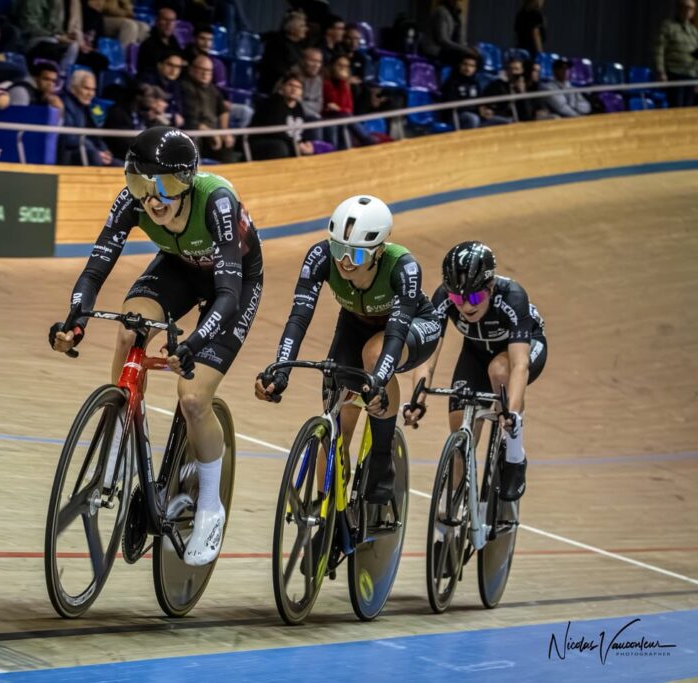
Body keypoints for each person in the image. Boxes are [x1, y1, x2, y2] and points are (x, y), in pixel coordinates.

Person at [49, 127, 264, 566]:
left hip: (233, 281)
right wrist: (76, 319)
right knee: (129, 331)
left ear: (188, 182)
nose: (153, 199)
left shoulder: (216, 201)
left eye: (167, 185)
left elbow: (226, 297)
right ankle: (116, 436)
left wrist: (196, 341)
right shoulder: (132, 201)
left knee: (192, 397)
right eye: (141, 185)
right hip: (179, 266)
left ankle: (209, 505)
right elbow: (94, 271)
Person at [256, 195, 441, 505]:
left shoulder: (404, 267)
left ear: (378, 251)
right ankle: (324, 511)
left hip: (413, 327)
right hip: (356, 323)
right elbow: (298, 318)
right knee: (334, 414)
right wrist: (281, 369)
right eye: (339, 250)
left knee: (374, 355)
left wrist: (378, 382)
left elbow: (394, 337)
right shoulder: (319, 256)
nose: (343, 262)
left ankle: (382, 459)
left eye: (355, 254)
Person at [404, 242, 547, 501]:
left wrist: (511, 413)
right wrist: (418, 398)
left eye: (474, 298)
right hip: (476, 352)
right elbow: (428, 356)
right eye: (457, 298)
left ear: (490, 288)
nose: (465, 306)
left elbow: (520, 365)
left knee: (499, 371)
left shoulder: (513, 296)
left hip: (521, 350)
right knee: (459, 430)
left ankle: (514, 453)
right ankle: (449, 524)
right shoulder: (443, 299)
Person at [181, 54, 236, 162]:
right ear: (192, 69)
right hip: (197, 134)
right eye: (202, 70)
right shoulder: (185, 87)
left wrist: (225, 131)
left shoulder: (212, 88)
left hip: (212, 131)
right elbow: (191, 119)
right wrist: (211, 133)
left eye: (209, 71)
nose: (205, 74)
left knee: (228, 147)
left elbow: (223, 110)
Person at [59, 68, 115, 165]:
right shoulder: (65, 104)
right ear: (73, 87)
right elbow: (68, 137)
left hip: (88, 150)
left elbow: (94, 134)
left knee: (120, 166)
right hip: (71, 153)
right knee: (94, 156)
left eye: (93, 90)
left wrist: (104, 150)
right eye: (86, 88)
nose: (90, 94)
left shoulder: (86, 106)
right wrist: (96, 151)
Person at [442, 54, 512, 128]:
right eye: (465, 64)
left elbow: (480, 100)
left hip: (476, 115)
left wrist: (485, 110)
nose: (468, 68)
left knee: (506, 122)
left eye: (472, 66)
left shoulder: (475, 82)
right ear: (459, 65)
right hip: (458, 116)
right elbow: (452, 104)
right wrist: (477, 109)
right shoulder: (451, 83)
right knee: (473, 118)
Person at [653, 0, 698, 108]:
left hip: (691, 74)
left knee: (688, 108)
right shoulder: (668, 26)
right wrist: (660, 72)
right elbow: (659, 50)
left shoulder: (694, 31)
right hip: (675, 72)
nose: (688, 11)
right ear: (679, 8)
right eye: (685, 7)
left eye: (691, 8)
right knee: (676, 107)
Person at [257, 11, 308, 94]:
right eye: (302, 26)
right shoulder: (276, 43)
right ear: (292, 28)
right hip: (274, 87)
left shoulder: (299, 47)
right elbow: (276, 67)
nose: (306, 29)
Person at [138, 48, 186, 127]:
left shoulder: (175, 85)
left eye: (178, 67)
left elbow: (178, 110)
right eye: (170, 65)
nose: (174, 70)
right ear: (159, 65)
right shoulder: (147, 80)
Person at [422, 0, 476, 67]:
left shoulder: (456, 14)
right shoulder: (441, 11)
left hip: (447, 49)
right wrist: (465, 49)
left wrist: (467, 49)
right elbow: (442, 40)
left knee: (474, 57)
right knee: (459, 58)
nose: (458, 3)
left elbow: (460, 39)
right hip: (435, 50)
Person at [137, 7, 181, 76]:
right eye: (165, 20)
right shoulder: (148, 44)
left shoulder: (174, 42)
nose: (169, 24)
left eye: (172, 21)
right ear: (156, 22)